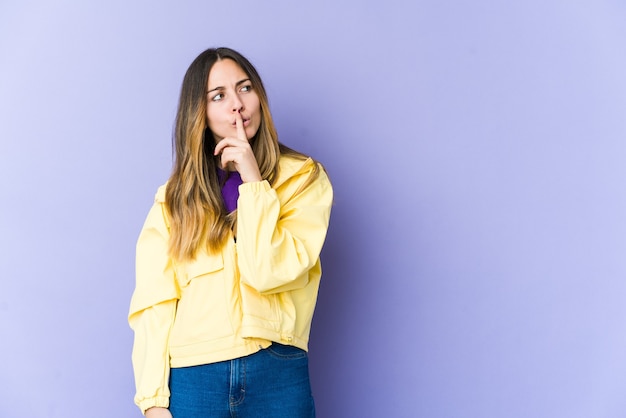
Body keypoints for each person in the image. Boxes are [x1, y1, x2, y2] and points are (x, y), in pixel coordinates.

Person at [128, 47, 333, 418]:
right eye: (218, 96)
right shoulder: (174, 200)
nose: (236, 104)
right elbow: (154, 303)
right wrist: (153, 400)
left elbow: (267, 272)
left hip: (277, 371)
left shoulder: (304, 179)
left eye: (245, 88)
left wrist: (252, 180)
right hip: (194, 376)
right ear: (200, 113)